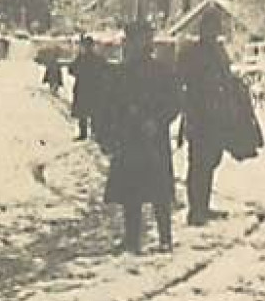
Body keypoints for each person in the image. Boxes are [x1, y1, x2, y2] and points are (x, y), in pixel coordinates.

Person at [103, 21, 181, 254]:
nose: (131, 44)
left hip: (153, 138)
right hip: (131, 137)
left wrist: (157, 121)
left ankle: (165, 238)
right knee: (132, 192)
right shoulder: (122, 72)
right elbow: (113, 105)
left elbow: (174, 102)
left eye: (135, 39)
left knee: (159, 192)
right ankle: (132, 239)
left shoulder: (162, 71)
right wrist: (115, 129)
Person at [176, 17, 235, 227]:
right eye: (210, 29)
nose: (213, 33)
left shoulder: (219, 52)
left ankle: (204, 205)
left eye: (215, 29)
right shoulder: (191, 53)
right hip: (198, 115)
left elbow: (227, 77)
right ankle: (195, 210)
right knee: (198, 163)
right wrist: (187, 111)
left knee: (211, 160)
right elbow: (180, 82)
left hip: (216, 115)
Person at [69, 34, 107, 141]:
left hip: (83, 87)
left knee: (83, 112)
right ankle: (95, 133)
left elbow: (71, 70)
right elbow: (105, 70)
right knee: (94, 112)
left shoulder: (81, 58)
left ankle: (84, 133)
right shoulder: (98, 59)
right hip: (95, 88)